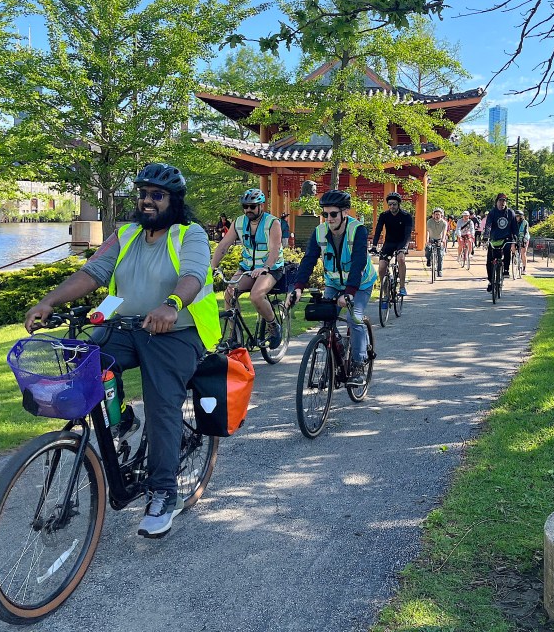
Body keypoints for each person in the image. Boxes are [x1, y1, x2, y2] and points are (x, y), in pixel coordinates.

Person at [24, 163, 219, 539]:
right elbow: (92, 272)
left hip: (177, 331)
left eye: (157, 195)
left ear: (174, 201)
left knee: (161, 403)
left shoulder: (189, 234)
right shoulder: (126, 234)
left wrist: (172, 304)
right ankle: (122, 418)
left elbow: (194, 275)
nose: (147, 201)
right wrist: (49, 301)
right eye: (143, 194)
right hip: (126, 327)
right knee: (83, 359)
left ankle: (163, 493)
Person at [290, 190, 377, 386]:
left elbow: (358, 262)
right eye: (325, 214)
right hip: (334, 283)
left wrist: (350, 293)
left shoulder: (358, 230)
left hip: (360, 284)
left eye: (333, 214)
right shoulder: (319, 232)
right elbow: (308, 260)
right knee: (326, 319)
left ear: (345, 212)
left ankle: (358, 364)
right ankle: (335, 356)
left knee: (354, 318)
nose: (328, 218)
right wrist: (298, 287)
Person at [210, 188, 285, 349]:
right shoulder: (238, 222)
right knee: (229, 294)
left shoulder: (272, 223)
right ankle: (235, 337)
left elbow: (274, 249)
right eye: (245, 206)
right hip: (247, 268)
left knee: (256, 296)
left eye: (252, 206)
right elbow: (223, 245)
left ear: (261, 206)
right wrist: (211, 267)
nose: (248, 210)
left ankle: (273, 326)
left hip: (271, 268)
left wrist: (265, 267)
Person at [371, 192, 413, 296]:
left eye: (394, 204)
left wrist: (404, 248)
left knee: (401, 259)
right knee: (382, 266)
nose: (391, 206)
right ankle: (385, 292)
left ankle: (402, 287)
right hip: (389, 242)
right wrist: (374, 246)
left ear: (398, 204)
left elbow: (408, 234)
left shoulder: (406, 216)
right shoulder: (384, 215)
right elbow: (378, 230)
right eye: (389, 204)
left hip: (401, 242)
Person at [482, 193, 517, 292]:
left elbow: (515, 228)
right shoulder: (492, 213)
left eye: (504, 201)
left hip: (506, 238)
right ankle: (490, 281)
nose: (502, 203)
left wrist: (515, 240)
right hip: (494, 239)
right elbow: (488, 225)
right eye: (500, 201)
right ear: (496, 202)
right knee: (489, 261)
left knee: (507, 249)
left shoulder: (510, 213)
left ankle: (506, 270)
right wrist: (486, 236)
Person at [425, 207, 448, 276]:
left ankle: (439, 270)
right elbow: (427, 231)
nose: (437, 216)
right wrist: (427, 240)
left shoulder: (444, 223)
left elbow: (444, 232)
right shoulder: (429, 221)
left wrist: (443, 240)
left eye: (438, 214)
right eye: (436, 214)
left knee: (440, 255)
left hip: (439, 239)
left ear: (441, 215)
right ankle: (429, 259)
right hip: (431, 238)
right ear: (433, 215)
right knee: (428, 249)